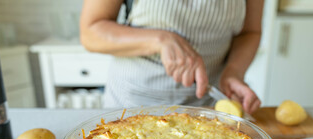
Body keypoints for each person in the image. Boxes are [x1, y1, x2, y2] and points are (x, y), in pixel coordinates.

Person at [80, 0, 263, 114]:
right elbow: (91, 32)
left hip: (207, 105)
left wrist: (233, 72)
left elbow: (250, 32)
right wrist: (160, 40)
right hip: (132, 103)